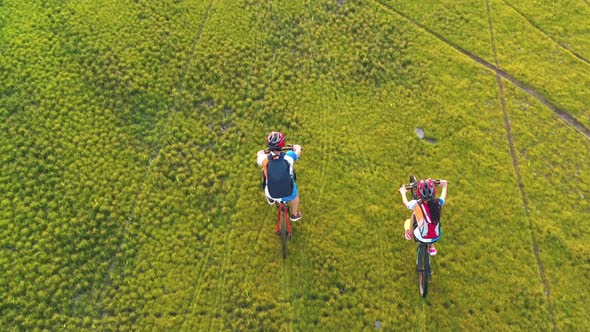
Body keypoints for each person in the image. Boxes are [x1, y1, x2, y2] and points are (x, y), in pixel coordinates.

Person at [257, 131, 303, 222]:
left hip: (271, 193)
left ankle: (271, 200)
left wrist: (260, 153)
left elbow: (258, 155)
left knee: (264, 172)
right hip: (289, 192)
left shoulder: (263, 159)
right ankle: (294, 215)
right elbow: (298, 152)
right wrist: (297, 147)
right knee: (295, 195)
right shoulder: (289, 156)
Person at [398, 179, 448, 256]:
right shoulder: (438, 203)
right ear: (434, 191)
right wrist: (444, 186)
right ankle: (432, 247)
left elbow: (406, 203)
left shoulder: (416, 204)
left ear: (418, 193)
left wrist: (403, 192)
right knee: (434, 221)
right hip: (436, 236)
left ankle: (409, 234)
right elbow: (443, 197)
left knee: (415, 213)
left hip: (420, 236)